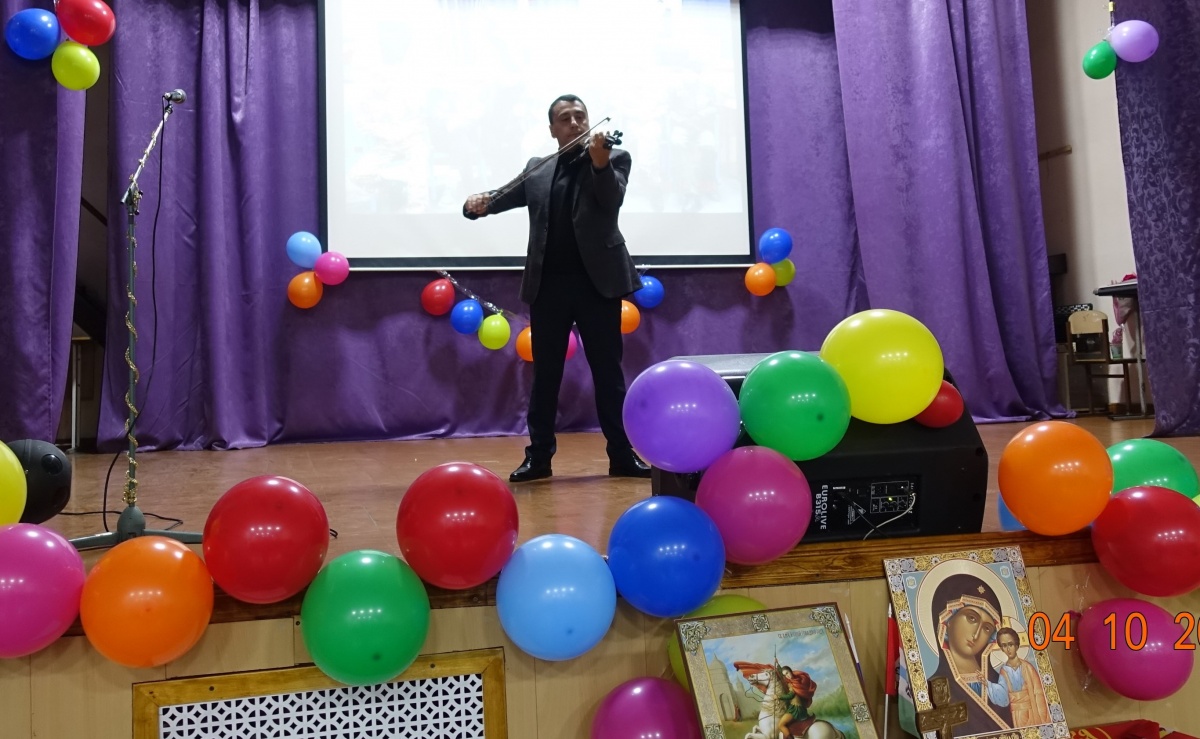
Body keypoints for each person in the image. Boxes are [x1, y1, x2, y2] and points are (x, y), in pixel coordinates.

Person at [463, 94, 650, 482]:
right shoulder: (539, 167)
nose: (575, 122)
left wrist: (599, 162)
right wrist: (480, 204)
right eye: (565, 118)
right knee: (545, 376)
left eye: (580, 115)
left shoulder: (613, 157)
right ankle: (539, 458)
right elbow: (503, 196)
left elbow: (611, 199)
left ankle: (621, 455)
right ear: (553, 129)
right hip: (549, 287)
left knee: (608, 374)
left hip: (598, 285)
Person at [927, 573, 1013, 731]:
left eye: (987, 628)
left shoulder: (1002, 685)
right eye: (971, 618)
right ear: (948, 619)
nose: (976, 634)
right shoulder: (935, 687)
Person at [995, 627, 1053, 726]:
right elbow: (1002, 697)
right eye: (1004, 645)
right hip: (1016, 715)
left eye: (1010, 644)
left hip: (1032, 712)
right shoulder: (1003, 671)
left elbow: (1038, 693)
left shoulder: (1028, 667)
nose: (1008, 649)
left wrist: (1043, 719)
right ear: (1001, 648)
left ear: (1017, 645)